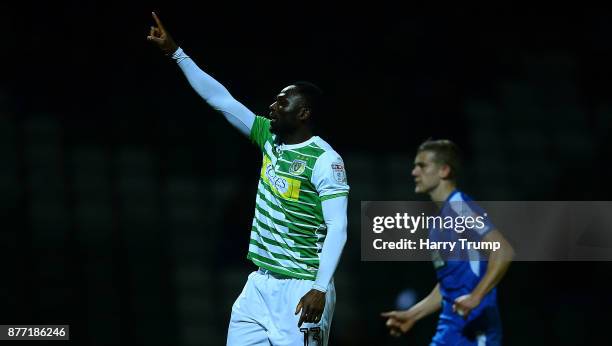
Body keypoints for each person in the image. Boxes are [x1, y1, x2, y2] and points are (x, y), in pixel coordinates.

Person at [147, 12, 349, 346]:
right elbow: (221, 99)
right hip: (258, 285)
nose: (272, 106)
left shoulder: (326, 160)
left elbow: (338, 227)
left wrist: (320, 286)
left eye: (282, 102)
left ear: (304, 113)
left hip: (303, 286)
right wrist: (176, 53)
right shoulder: (269, 137)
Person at [381, 139, 514, 345]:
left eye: (422, 165)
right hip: (450, 329)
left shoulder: (459, 207)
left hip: (474, 329)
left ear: (443, 170)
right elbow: (448, 285)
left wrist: (475, 297)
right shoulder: (438, 222)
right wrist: (412, 314)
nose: (414, 172)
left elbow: (503, 251)